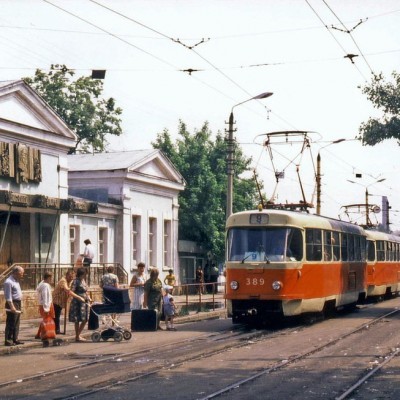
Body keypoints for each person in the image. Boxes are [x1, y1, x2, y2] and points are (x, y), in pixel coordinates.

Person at [68, 267, 92, 342]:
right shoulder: (75, 281)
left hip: (84, 303)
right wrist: (79, 297)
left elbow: (85, 291)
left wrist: (89, 298)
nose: (85, 276)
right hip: (77, 303)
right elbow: (71, 292)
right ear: (81, 274)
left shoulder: (83, 280)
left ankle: (78, 335)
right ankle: (77, 336)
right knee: (77, 319)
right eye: (84, 274)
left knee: (85, 319)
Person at [3, 265, 24, 346]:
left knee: (16, 322)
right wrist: (11, 306)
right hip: (12, 303)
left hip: (18, 302)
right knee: (11, 322)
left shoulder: (16, 281)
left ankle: (15, 338)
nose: (22, 275)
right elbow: (8, 296)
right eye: (21, 273)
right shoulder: (9, 282)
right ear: (16, 272)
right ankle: (8, 340)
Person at [36, 271, 56, 347]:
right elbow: (46, 296)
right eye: (51, 278)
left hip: (42, 305)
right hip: (46, 305)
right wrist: (47, 308)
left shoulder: (41, 284)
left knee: (45, 320)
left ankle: (39, 334)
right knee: (47, 320)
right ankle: (45, 333)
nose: (51, 279)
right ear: (48, 278)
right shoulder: (46, 286)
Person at [53, 269, 74, 334]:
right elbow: (66, 288)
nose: (71, 278)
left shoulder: (69, 281)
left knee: (57, 316)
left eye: (72, 277)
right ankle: (56, 330)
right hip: (57, 300)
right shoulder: (63, 280)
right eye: (70, 277)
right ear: (67, 275)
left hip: (62, 301)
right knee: (56, 316)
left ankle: (56, 330)